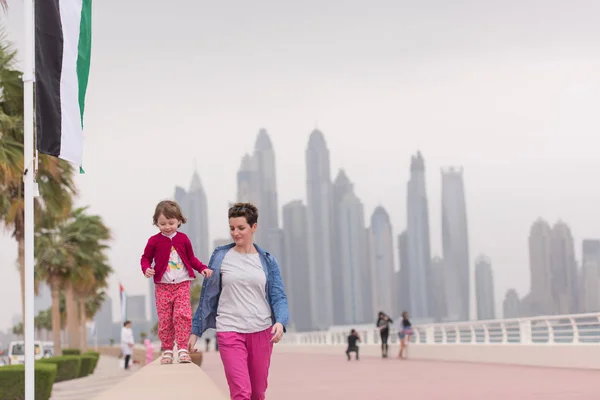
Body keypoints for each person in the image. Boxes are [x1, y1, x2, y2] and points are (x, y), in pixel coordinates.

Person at [189, 202, 289, 400]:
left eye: (241, 228)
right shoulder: (220, 257)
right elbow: (207, 296)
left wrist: (280, 322)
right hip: (229, 330)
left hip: (261, 331)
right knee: (241, 393)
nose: (236, 233)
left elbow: (278, 296)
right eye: (232, 228)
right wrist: (195, 330)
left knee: (258, 394)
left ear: (253, 227)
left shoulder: (267, 261)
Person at [141, 200, 213, 365]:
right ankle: (167, 350)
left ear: (179, 221)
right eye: (162, 223)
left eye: (171, 223)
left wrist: (202, 268)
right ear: (156, 223)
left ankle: (182, 349)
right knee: (165, 318)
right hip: (162, 287)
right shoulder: (154, 241)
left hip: (182, 284)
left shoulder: (183, 239)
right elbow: (145, 258)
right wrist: (146, 269)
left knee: (183, 316)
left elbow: (191, 258)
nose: (167, 227)